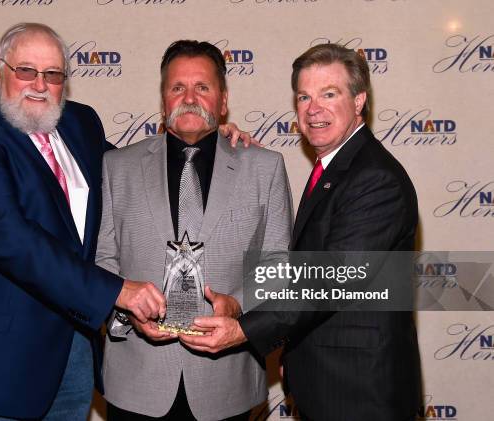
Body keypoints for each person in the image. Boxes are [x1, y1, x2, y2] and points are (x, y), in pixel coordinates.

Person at [0, 24, 250, 420]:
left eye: (53, 74)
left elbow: (134, 174)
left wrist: (203, 139)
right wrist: (118, 291)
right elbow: (12, 240)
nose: (39, 85)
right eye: (26, 70)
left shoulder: (79, 123)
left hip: (71, 359)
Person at [180, 43, 422, 421]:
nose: (313, 109)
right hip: (327, 383)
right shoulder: (333, 167)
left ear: (359, 101)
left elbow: (328, 279)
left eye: (329, 94)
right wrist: (225, 152)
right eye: (304, 96)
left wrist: (243, 329)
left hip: (361, 395)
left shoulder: (374, 179)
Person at [95, 40, 293, 421]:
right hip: (137, 381)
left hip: (227, 383)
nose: (189, 97)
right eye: (177, 88)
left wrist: (237, 304)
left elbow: (278, 264)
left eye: (202, 87)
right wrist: (127, 313)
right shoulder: (116, 167)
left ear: (222, 101)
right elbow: (104, 259)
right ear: (163, 100)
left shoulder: (264, 168)